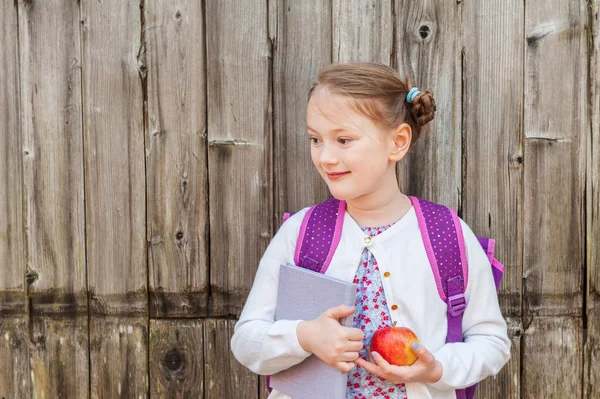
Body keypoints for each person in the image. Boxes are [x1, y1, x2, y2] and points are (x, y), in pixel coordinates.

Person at [230, 62, 510, 399]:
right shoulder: (302, 232)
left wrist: (436, 368)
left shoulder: (446, 234)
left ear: (397, 142)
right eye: (316, 139)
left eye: (344, 139)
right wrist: (304, 337)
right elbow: (247, 341)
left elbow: (491, 342)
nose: (326, 157)